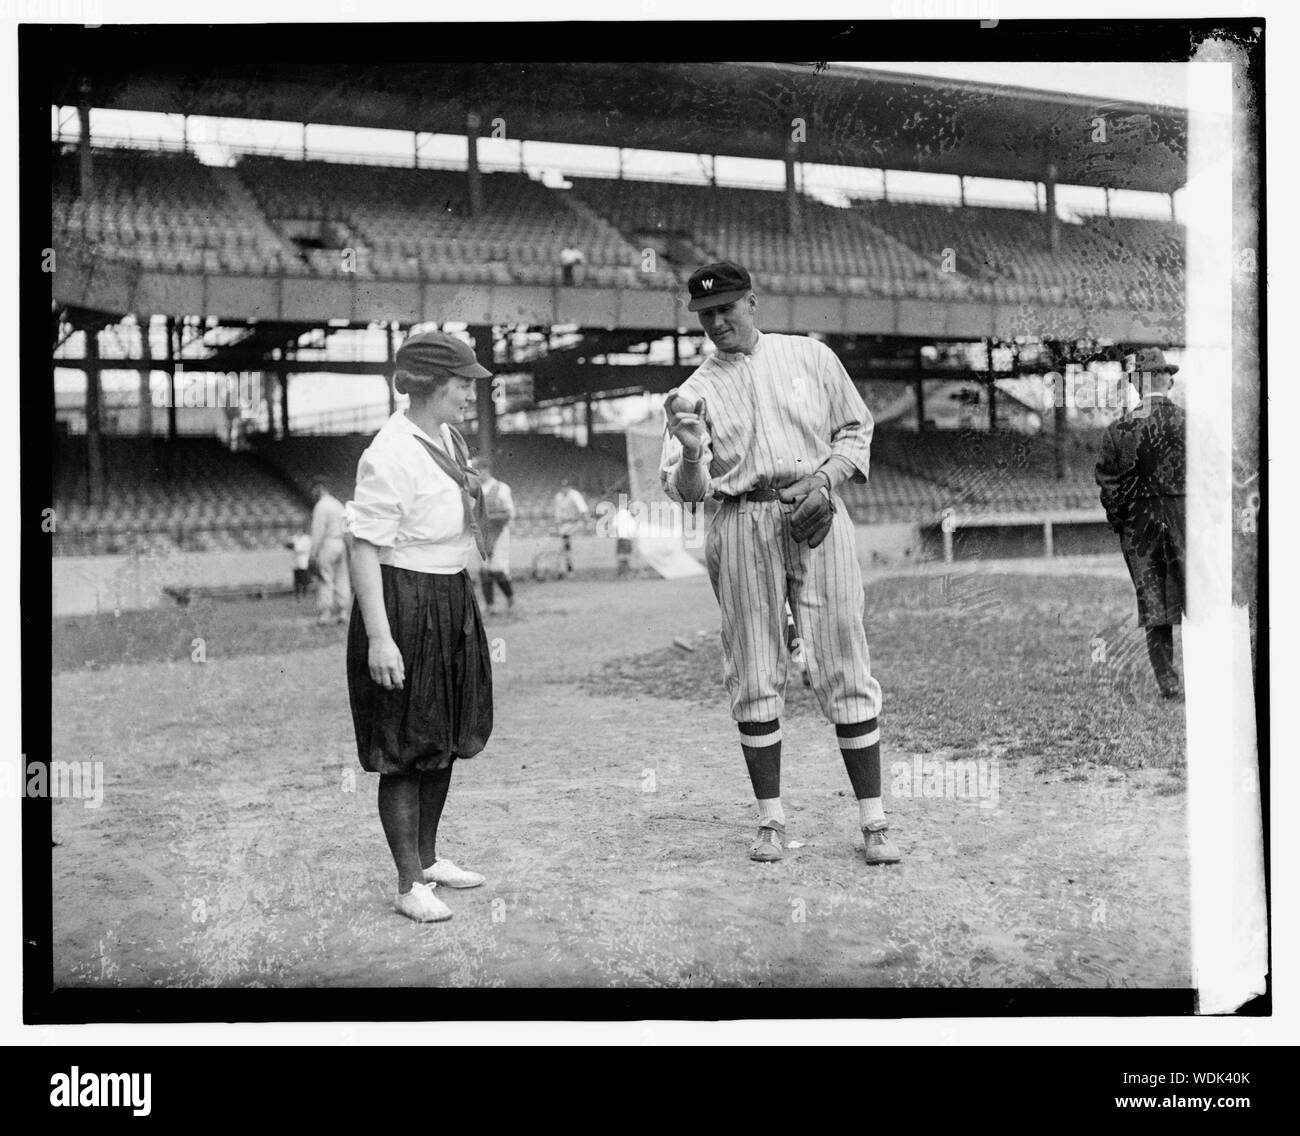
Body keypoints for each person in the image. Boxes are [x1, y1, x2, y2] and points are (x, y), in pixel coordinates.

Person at [659, 260, 900, 866]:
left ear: (753, 302)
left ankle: (874, 822)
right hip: (740, 519)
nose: (717, 322)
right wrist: (692, 455)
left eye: (727, 309)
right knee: (755, 667)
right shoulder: (694, 392)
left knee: (843, 656)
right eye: (706, 314)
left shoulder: (811, 358)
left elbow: (856, 428)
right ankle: (770, 819)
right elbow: (687, 491)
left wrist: (825, 478)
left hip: (817, 510)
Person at [344, 330, 495, 923]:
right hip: (404, 599)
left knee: (445, 734)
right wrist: (381, 636)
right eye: (462, 384)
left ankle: (428, 862)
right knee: (406, 744)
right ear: (432, 385)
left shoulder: (446, 437)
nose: (470, 395)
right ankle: (408, 884)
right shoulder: (390, 451)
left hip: (449, 592)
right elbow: (362, 547)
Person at [1095, 347, 1187, 699]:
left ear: (1136, 385)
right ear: (1167, 380)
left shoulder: (1117, 430)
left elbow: (1109, 485)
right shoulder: (1189, 422)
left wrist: (1125, 522)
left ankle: (1169, 683)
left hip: (1139, 525)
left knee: (1154, 604)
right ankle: (1210, 677)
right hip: (1184, 518)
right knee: (1198, 598)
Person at [474, 456, 516, 613]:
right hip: (482, 533)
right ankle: (490, 606)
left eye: (479, 470)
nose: (478, 473)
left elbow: (510, 512)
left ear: (486, 470)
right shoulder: (474, 489)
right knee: (484, 569)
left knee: (498, 568)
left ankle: (510, 598)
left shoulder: (501, 488)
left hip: (499, 532)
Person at [309, 478, 351, 625]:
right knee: (342, 576)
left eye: (314, 489)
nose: (313, 492)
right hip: (340, 542)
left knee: (325, 576)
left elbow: (318, 531)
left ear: (319, 488)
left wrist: (313, 552)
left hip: (328, 543)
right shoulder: (337, 504)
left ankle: (325, 613)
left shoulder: (321, 506)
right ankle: (343, 611)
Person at [553, 478, 590, 575]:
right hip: (565, 523)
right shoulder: (558, 497)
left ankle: (568, 568)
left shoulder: (574, 495)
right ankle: (566, 568)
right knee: (564, 545)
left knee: (565, 544)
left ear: (569, 487)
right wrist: (557, 524)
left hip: (576, 521)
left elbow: (583, 509)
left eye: (566, 487)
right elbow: (558, 513)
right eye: (563, 487)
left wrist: (587, 522)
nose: (564, 489)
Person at [286, 525, 312, 601]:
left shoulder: (307, 538)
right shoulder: (294, 537)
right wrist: (289, 546)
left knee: (304, 580)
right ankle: (297, 595)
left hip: (303, 560)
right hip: (295, 561)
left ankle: (305, 594)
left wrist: (295, 548)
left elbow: (306, 548)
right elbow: (288, 544)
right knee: (297, 581)